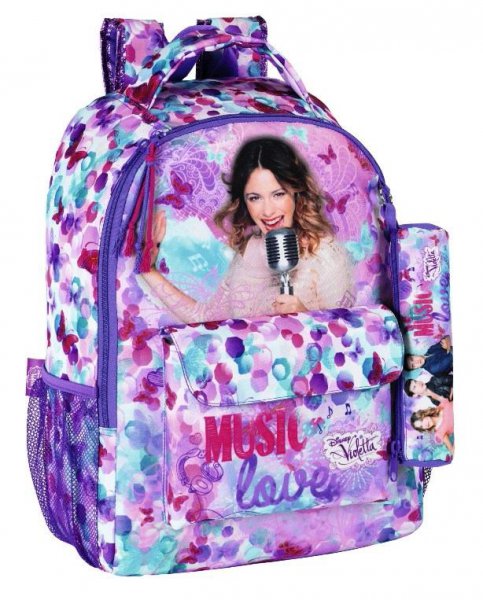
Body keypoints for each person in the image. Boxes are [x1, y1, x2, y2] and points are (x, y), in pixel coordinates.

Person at [137, 136, 354, 323]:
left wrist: (304, 317)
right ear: (244, 201)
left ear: (296, 192)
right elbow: (205, 317)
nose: (268, 211)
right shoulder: (250, 250)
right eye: (255, 198)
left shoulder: (325, 254)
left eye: (278, 194)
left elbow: (348, 336)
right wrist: (149, 269)